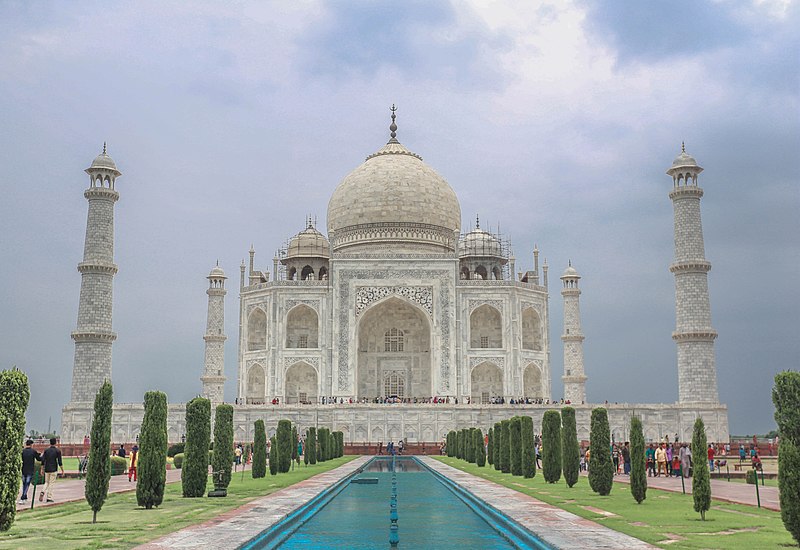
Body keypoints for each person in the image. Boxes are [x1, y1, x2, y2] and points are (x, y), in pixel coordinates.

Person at [40, 437, 64, 503]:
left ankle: (42, 491)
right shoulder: (57, 451)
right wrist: (62, 470)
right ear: (55, 443)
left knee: (46, 482)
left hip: (47, 468)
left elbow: (43, 460)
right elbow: (60, 462)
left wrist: (41, 469)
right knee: (51, 483)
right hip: (53, 468)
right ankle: (49, 497)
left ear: (50, 442)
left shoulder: (46, 450)